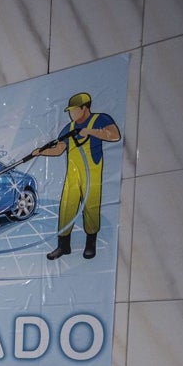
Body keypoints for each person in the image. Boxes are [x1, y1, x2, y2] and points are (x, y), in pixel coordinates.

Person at [36, 91, 121, 261]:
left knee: (91, 207)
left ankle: (90, 244)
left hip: (92, 174)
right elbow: (59, 149)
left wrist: (90, 131)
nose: (71, 114)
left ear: (84, 108)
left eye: (74, 110)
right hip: (72, 177)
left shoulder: (100, 120)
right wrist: (40, 152)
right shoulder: (69, 128)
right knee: (66, 207)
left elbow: (114, 135)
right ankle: (63, 245)